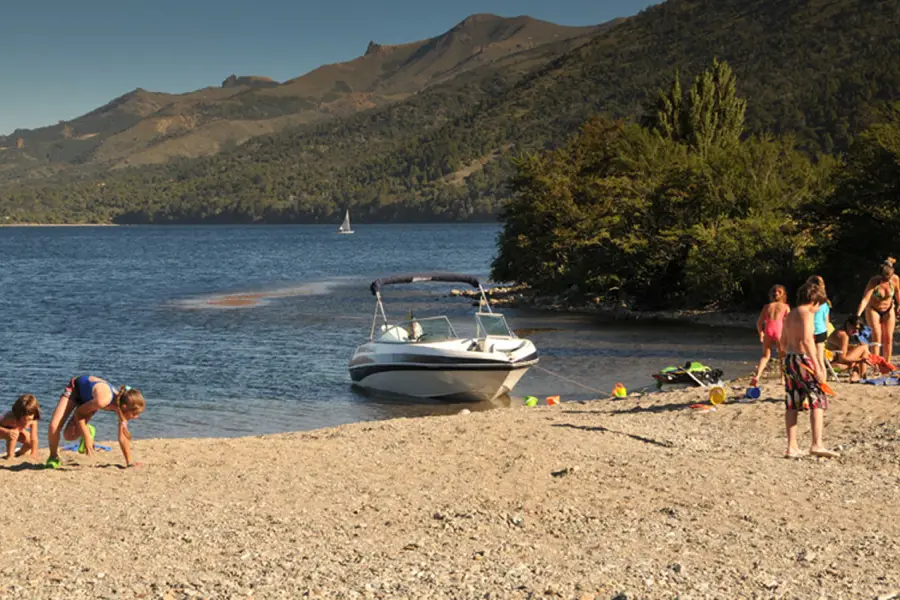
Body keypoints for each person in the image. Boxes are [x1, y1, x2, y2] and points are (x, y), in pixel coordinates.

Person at [782, 282, 839, 459]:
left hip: (789, 358)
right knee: (818, 399)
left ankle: (792, 447)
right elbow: (807, 340)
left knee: (792, 401)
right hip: (803, 359)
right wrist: (818, 366)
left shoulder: (790, 314)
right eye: (819, 306)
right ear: (814, 302)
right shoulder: (806, 314)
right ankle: (817, 444)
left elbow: (783, 341)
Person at [46, 376, 145, 469]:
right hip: (75, 390)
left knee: (69, 436)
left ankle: (88, 429)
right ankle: (53, 457)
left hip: (90, 400)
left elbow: (123, 436)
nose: (136, 417)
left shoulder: (122, 408)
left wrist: (129, 462)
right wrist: (86, 436)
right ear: (125, 407)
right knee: (54, 426)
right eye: (135, 413)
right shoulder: (103, 400)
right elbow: (79, 413)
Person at [857, 257, 900, 365]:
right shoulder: (873, 282)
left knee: (889, 337)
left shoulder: (895, 279)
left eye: (888, 278)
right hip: (874, 309)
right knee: (877, 334)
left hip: (888, 308)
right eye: (884, 278)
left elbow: (898, 293)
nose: (886, 280)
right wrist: (857, 315)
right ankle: (876, 363)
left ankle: (887, 363)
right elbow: (865, 299)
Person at [751, 284, 790, 387]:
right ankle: (782, 378)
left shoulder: (767, 307)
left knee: (765, 356)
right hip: (779, 331)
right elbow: (789, 322)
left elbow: (759, 323)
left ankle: (757, 376)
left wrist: (761, 334)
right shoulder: (785, 307)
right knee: (782, 357)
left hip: (768, 330)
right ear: (783, 295)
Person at [825, 315, 870, 382]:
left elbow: (840, 348)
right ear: (848, 324)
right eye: (854, 328)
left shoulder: (843, 331)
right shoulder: (843, 335)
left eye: (858, 329)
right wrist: (861, 359)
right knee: (863, 348)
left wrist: (853, 347)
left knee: (861, 348)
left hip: (833, 360)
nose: (856, 331)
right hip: (831, 364)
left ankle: (860, 375)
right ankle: (861, 375)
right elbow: (842, 359)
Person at [0, 394, 41, 459]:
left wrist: (34, 453)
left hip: (14, 431)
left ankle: (19, 454)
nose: (27, 422)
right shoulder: (9, 418)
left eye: (29, 419)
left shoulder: (33, 420)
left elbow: (34, 438)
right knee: (14, 433)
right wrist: (6, 431)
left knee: (29, 442)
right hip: (2, 430)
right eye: (24, 419)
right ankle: (10, 456)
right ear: (18, 414)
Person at [808, 275, 831, 378]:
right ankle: (823, 381)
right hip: (822, 330)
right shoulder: (825, 303)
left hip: (811, 331)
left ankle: (814, 379)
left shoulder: (811, 302)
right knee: (820, 359)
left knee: (810, 358)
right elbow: (827, 321)